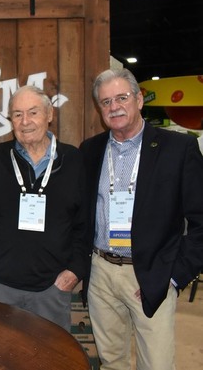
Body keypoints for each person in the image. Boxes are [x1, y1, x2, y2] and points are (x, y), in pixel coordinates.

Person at [80, 68, 203, 370]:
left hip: (152, 273)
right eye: (106, 102)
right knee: (111, 362)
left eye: (121, 98)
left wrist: (174, 276)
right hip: (101, 272)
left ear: (138, 100)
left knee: (157, 365)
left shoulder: (178, 149)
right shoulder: (90, 150)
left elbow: (200, 220)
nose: (114, 107)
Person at [0, 85, 87, 330]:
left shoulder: (73, 160)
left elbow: (84, 223)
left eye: (33, 112)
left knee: (49, 352)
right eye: (17, 114)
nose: (25, 121)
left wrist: (75, 271)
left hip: (52, 289)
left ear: (49, 115)